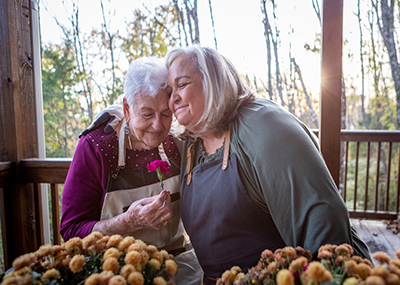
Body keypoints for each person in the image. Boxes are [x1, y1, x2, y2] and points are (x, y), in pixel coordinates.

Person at [165, 45, 371, 284]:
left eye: (181, 85)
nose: (173, 99)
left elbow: (323, 222)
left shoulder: (263, 124)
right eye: (169, 90)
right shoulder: (192, 147)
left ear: (213, 81)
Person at [60, 57, 203, 284]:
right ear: (127, 109)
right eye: (147, 114)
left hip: (176, 264)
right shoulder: (96, 147)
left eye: (166, 114)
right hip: (116, 269)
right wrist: (128, 222)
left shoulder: (177, 140)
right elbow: (71, 230)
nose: (158, 126)